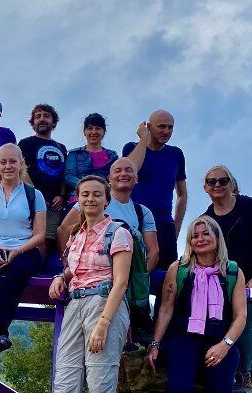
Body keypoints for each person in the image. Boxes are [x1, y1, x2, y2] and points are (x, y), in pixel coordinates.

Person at [12, 176, 131, 393]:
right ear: (78, 200)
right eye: (84, 194)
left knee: (100, 385)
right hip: (75, 306)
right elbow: (79, 268)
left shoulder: (118, 233)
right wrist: (61, 277)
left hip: (104, 305)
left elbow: (121, 281)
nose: (89, 199)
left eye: (96, 194)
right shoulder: (78, 234)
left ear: (106, 199)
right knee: (64, 383)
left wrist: (104, 323)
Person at [147, 216, 247, 393]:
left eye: (206, 234)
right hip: (184, 338)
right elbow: (165, 309)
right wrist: (155, 343)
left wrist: (225, 345)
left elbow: (240, 315)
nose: (200, 239)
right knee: (177, 389)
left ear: (217, 238)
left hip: (220, 340)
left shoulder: (232, 272)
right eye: (195, 235)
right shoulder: (178, 269)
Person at [57, 157, 159, 343]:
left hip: (125, 282)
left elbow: (153, 252)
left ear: (137, 178)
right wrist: (68, 270)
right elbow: (64, 229)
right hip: (90, 285)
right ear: (109, 179)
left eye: (129, 170)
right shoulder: (91, 200)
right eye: (118, 171)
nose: (123, 174)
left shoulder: (142, 212)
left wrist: (135, 277)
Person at [202, 164, 252, 393]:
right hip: (228, 282)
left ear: (232, 185)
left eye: (223, 181)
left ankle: (244, 377)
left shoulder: (250, 207)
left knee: (242, 322)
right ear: (205, 187)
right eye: (212, 181)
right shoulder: (208, 217)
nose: (217, 185)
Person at [0, 144, 46, 358]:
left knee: (17, 274)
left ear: (21, 164)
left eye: (13, 161)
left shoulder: (34, 195)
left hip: (25, 248)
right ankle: (1, 332)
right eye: (3, 162)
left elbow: (39, 234)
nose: (8, 166)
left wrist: (18, 251)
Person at [122, 110, 187, 286]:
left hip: (164, 225)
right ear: (149, 127)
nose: (166, 131)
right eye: (161, 126)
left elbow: (182, 194)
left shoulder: (176, 154)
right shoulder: (131, 148)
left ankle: (162, 314)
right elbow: (129, 171)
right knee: (131, 276)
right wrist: (143, 139)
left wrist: (176, 227)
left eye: (170, 127)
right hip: (135, 223)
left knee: (168, 280)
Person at [18, 104, 67, 260]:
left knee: (47, 238)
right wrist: (35, 195)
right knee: (28, 236)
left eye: (46, 116)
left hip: (54, 203)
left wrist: (61, 195)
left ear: (53, 122)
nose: (42, 119)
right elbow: (21, 169)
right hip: (30, 200)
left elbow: (64, 173)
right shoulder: (25, 143)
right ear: (33, 123)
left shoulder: (61, 147)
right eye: (37, 116)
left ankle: (40, 275)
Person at [65, 113, 119, 188]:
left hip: (105, 196)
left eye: (98, 128)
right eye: (90, 128)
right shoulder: (74, 154)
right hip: (79, 196)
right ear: (84, 132)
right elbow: (69, 176)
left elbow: (117, 176)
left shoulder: (112, 156)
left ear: (104, 132)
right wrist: (87, 186)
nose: (94, 132)